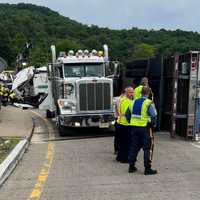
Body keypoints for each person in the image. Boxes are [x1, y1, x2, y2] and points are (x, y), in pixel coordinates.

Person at [126, 86, 157, 175]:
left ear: (141, 93)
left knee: (134, 147)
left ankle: (131, 167)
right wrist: (152, 124)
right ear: (149, 93)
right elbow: (153, 115)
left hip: (134, 128)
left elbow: (128, 115)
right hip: (145, 128)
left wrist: (132, 123)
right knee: (147, 148)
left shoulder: (134, 102)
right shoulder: (148, 103)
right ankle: (147, 169)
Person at [116, 86, 134, 163]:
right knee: (127, 143)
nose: (132, 94)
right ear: (126, 93)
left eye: (133, 92)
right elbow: (128, 114)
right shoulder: (128, 102)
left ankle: (119, 157)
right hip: (126, 124)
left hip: (120, 123)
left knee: (122, 142)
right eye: (130, 92)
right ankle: (125, 159)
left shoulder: (122, 100)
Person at [114, 89, 126, 154]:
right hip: (121, 119)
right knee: (121, 136)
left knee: (117, 136)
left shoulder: (115, 99)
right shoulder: (122, 100)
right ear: (124, 93)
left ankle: (116, 149)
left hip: (117, 119)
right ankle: (120, 149)